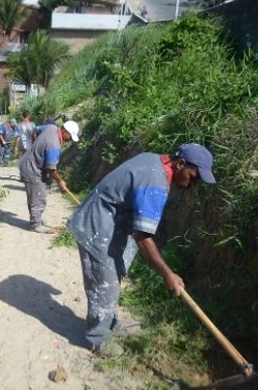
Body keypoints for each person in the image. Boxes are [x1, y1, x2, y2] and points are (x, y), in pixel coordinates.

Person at [66, 143, 216, 358]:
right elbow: (143, 236)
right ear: (181, 163)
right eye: (193, 177)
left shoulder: (154, 159)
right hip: (97, 227)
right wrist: (167, 274)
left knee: (114, 274)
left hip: (110, 223)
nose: (193, 183)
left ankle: (110, 322)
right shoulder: (155, 183)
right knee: (104, 281)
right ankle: (98, 339)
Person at [19, 120, 80, 233]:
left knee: (38, 196)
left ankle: (38, 219)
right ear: (65, 132)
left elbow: (35, 129)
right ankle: (35, 225)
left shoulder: (51, 127)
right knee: (37, 198)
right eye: (70, 137)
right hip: (32, 169)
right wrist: (60, 181)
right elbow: (51, 169)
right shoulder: (54, 145)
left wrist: (35, 145)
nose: (70, 140)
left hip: (30, 164)